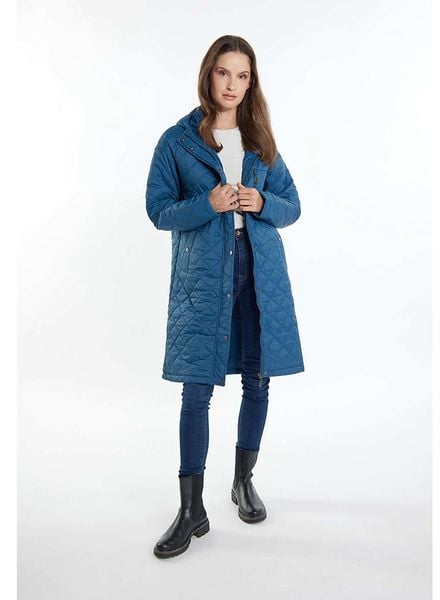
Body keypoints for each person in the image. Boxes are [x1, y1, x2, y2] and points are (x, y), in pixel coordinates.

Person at [145, 34, 305, 559]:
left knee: (257, 379)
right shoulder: (177, 141)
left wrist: (261, 202)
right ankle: (191, 510)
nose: (232, 84)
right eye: (223, 72)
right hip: (204, 276)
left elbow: (292, 205)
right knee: (196, 390)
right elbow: (158, 211)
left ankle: (242, 481)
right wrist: (208, 204)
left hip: (259, 272)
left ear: (251, 82)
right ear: (208, 74)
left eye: (242, 75)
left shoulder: (260, 141)